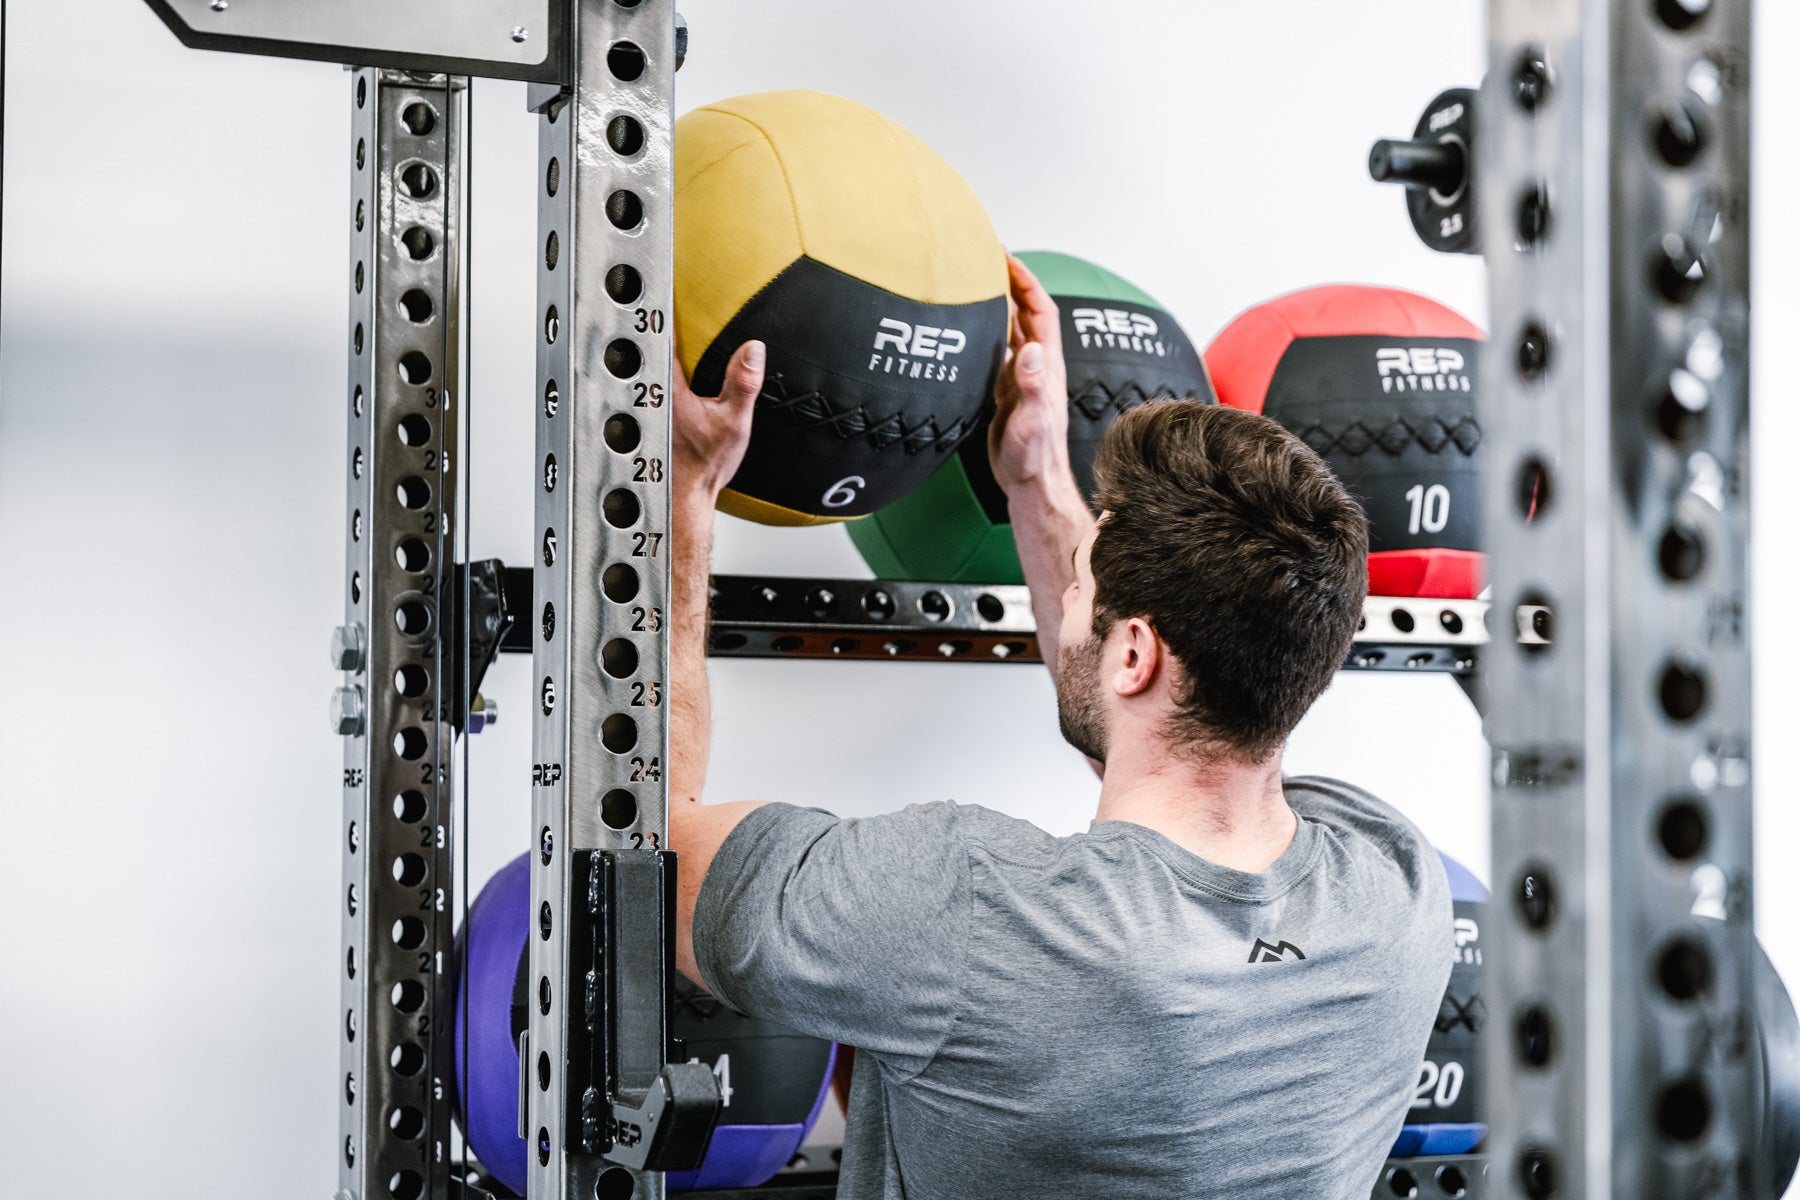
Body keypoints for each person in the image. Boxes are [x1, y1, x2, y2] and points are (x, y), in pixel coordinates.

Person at [666, 255, 1452, 1200]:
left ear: (1133, 656)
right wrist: (1035, 478)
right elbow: (1172, 750)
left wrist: (683, 495)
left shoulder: (962, 913)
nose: (1069, 583)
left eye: (1082, 580)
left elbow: (649, 843)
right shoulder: (1398, 890)